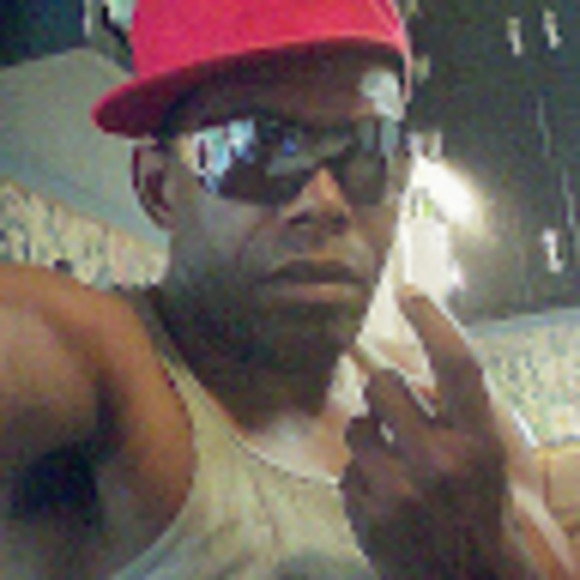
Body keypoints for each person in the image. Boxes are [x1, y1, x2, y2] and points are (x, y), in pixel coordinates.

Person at [0, 0, 576, 577]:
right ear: (159, 189)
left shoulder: (453, 431)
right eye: (255, 149)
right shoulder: (96, 366)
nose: (322, 202)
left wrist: (483, 562)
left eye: (367, 148)